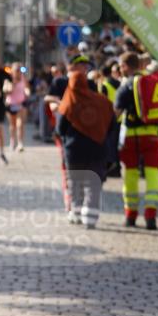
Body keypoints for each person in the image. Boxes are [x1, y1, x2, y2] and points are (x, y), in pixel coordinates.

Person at [55, 55, 116, 229]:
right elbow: (111, 124)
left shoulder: (67, 102)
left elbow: (60, 128)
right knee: (93, 182)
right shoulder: (102, 102)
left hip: (74, 150)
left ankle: (75, 212)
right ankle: (91, 216)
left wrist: (68, 137)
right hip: (97, 148)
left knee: (75, 181)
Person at [114, 51, 158, 229]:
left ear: (126, 66)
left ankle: (131, 216)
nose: (120, 70)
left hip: (132, 138)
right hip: (153, 135)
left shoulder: (126, 85)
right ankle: (151, 216)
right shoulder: (151, 81)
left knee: (131, 176)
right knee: (153, 175)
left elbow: (116, 114)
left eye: (121, 66)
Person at [5, 63, 30, 152]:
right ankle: (12, 141)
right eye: (17, 70)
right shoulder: (8, 79)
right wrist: (13, 84)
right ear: (12, 71)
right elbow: (6, 91)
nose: (19, 72)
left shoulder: (23, 78)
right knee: (12, 125)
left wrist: (27, 92)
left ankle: (20, 143)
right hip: (10, 104)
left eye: (20, 70)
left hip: (20, 104)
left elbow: (26, 88)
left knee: (20, 124)